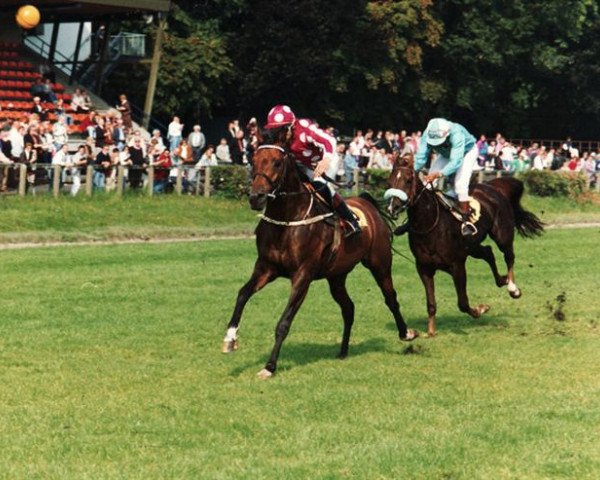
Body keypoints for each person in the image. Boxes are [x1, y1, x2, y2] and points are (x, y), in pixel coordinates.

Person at [263, 104, 361, 237]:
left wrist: (325, 160)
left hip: (325, 159)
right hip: (302, 163)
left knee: (320, 184)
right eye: (275, 130)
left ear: (291, 126)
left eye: (281, 130)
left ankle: (350, 220)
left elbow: (329, 140)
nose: (278, 135)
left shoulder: (304, 129)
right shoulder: (279, 136)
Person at [397, 117, 478, 237]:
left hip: (466, 152)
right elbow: (421, 158)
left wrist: (439, 174)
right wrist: (411, 171)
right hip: (446, 153)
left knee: (460, 185)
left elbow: (456, 162)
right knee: (426, 185)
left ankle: (466, 223)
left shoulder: (457, 134)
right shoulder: (427, 133)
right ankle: (412, 221)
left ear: (447, 134)